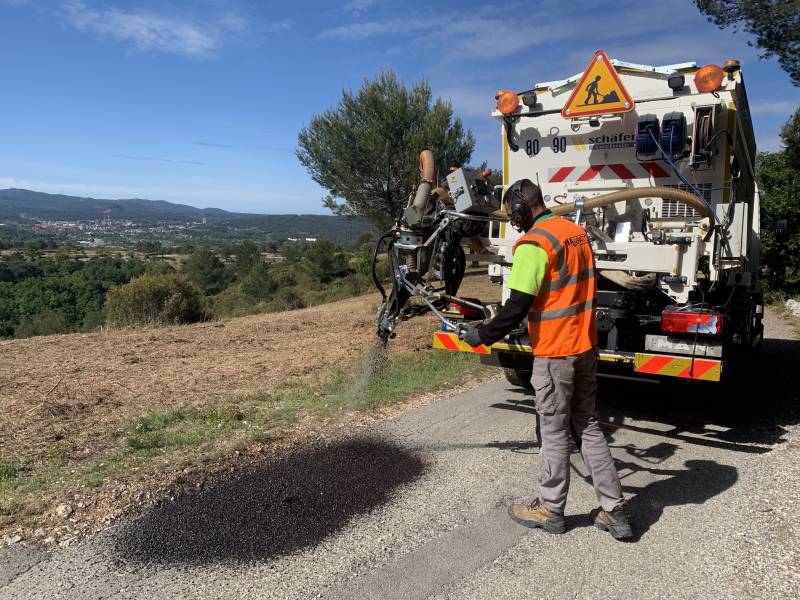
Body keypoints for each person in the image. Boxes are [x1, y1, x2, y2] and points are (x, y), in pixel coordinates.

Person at [458, 178, 632, 539]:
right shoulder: (576, 233)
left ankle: (551, 510)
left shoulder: (534, 243)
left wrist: (482, 336)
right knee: (587, 425)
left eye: (513, 213)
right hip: (585, 347)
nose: (513, 220)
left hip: (556, 353)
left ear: (524, 208)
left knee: (552, 431)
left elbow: (516, 306)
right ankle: (614, 510)